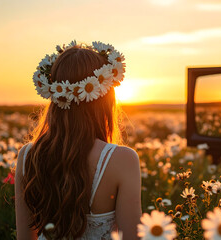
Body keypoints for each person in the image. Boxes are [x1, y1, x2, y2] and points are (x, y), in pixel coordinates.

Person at [15, 41, 141, 240]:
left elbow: (24, 237)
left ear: (54, 96)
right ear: (106, 98)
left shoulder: (28, 155)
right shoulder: (122, 160)